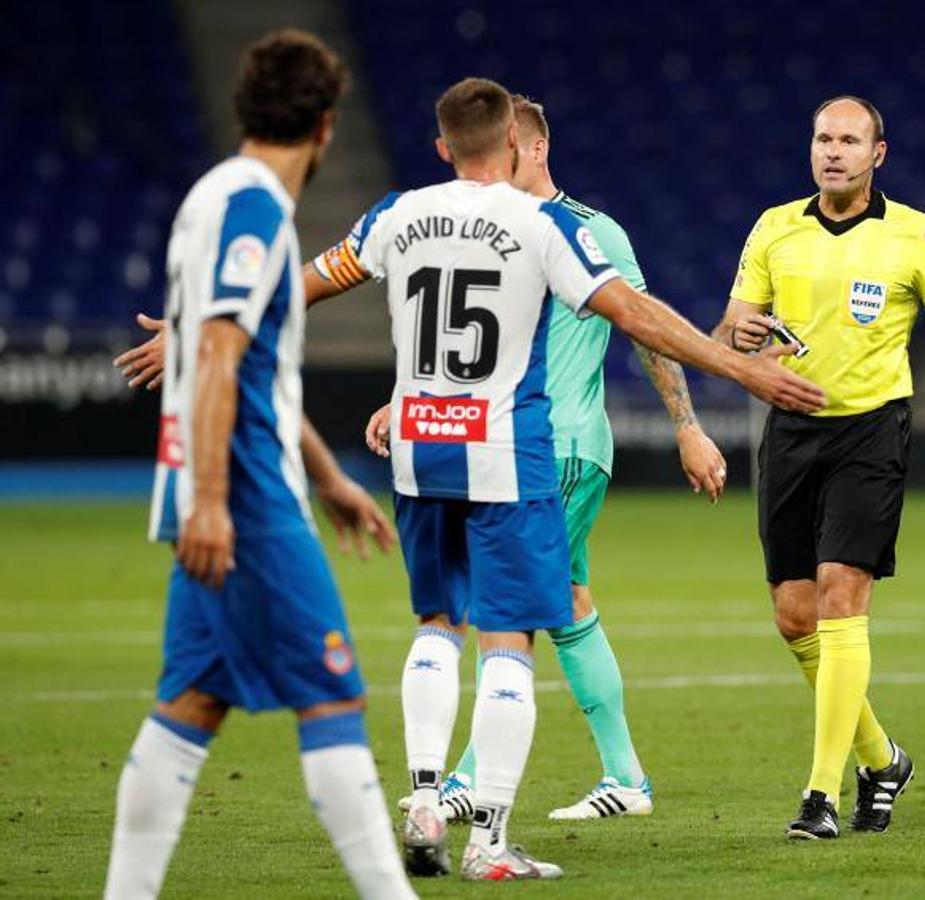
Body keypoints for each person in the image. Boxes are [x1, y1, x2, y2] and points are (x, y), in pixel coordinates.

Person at [307, 76, 823, 879]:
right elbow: (637, 316)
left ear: (442, 147)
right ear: (510, 142)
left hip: (427, 449)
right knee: (515, 631)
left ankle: (428, 793)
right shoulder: (543, 225)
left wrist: (196, 328)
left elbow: (317, 291)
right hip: (517, 451)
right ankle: (489, 832)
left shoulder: (397, 215)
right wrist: (736, 372)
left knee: (443, 621)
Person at [103, 30, 415, 900]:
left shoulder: (213, 195)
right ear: (324, 127)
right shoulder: (252, 210)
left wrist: (330, 476)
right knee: (332, 696)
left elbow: (247, 364)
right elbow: (218, 352)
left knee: (190, 707)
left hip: (228, 482)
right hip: (243, 497)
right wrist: (214, 501)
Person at [357, 94, 727, 824]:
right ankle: (625, 776)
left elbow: (647, 329)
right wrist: (407, 402)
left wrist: (688, 424)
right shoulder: (496, 235)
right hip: (502, 446)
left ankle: (463, 780)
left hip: (556, 448)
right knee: (566, 603)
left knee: (502, 601)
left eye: (505, 148)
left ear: (533, 149)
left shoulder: (588, 232)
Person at [710, 95, 925, 841]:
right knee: (793, 615)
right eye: (822, 138)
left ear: (879, 153)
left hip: (872, 432)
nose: (832, 151)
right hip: (791, 433)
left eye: (849, 139)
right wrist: (739, 338)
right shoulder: (774, 228)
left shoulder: (916, 234)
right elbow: (726, 338)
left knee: (844, 597)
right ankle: (883, 759)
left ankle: (820, 795)